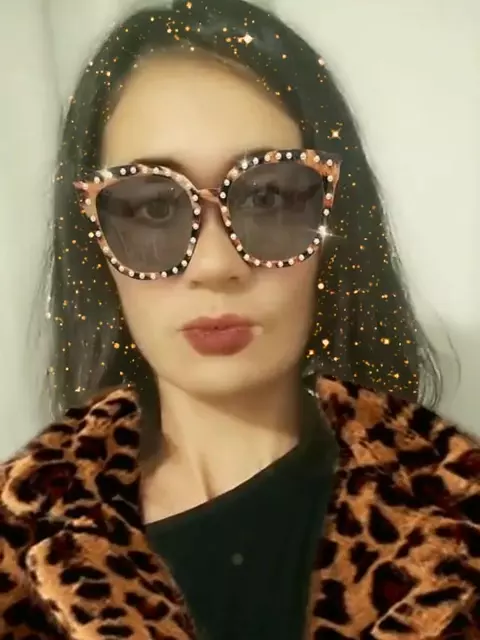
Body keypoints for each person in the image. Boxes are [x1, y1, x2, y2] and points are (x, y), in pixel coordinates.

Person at [1, 1, 479, 638]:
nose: (216, 264)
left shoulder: (453, 519)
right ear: (94, 240)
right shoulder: (22, 549)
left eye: (271, 196)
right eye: (151, 208)